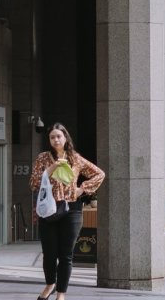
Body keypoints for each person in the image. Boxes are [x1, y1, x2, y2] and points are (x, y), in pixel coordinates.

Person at [28, 123, 106, 300]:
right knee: (49, 253)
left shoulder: (75, 158)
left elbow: (99, 174)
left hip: (71, 209)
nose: (56, 140)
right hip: (48, 209)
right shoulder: (43, 158)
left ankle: (61, 293)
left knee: (66, 254)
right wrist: (52, 168)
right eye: (52, 137)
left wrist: (83, 189)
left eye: (59, 136)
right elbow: (33, 183)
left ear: (65, 138)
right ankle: (50, 285)